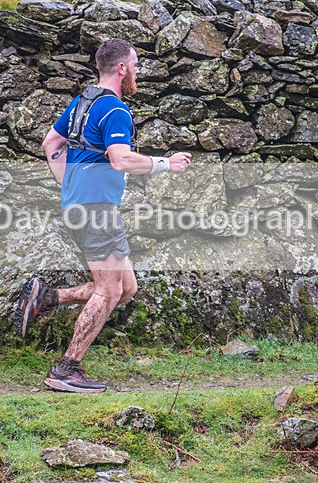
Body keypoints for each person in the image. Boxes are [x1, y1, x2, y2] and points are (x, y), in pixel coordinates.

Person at [16, 38, 192, 393]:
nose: (139, 71)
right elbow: (120, 158)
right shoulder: (114, 110)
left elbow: (51, 144)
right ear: (122, 68)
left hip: (86, 204)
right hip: (96, 209)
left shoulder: (83, 101)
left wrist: (70, 185)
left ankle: (49, 297)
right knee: (109, 290)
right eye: (137, 64)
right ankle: (66, 368)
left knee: (127, 288)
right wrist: (166, 164)